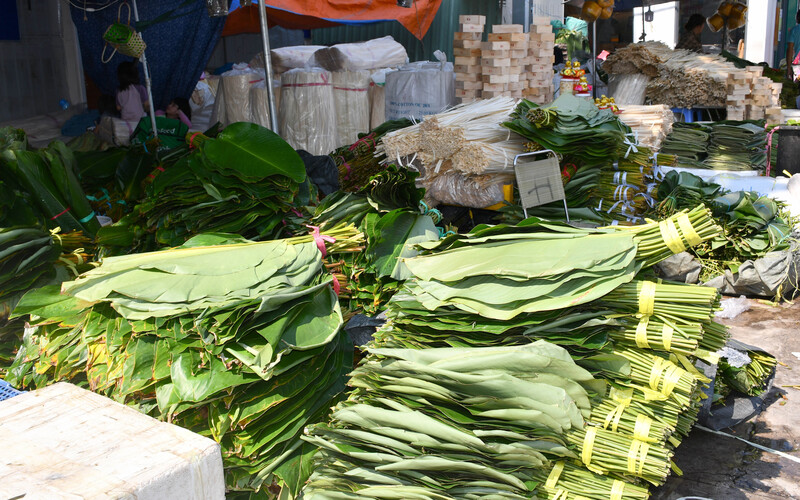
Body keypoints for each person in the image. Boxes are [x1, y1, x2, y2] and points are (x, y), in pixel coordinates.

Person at [786, 11, 800, 81]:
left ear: (797, 18)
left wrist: (788, 68)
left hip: (797, 65)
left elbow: (790, 50)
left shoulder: (794, 30)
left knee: (796, 85)